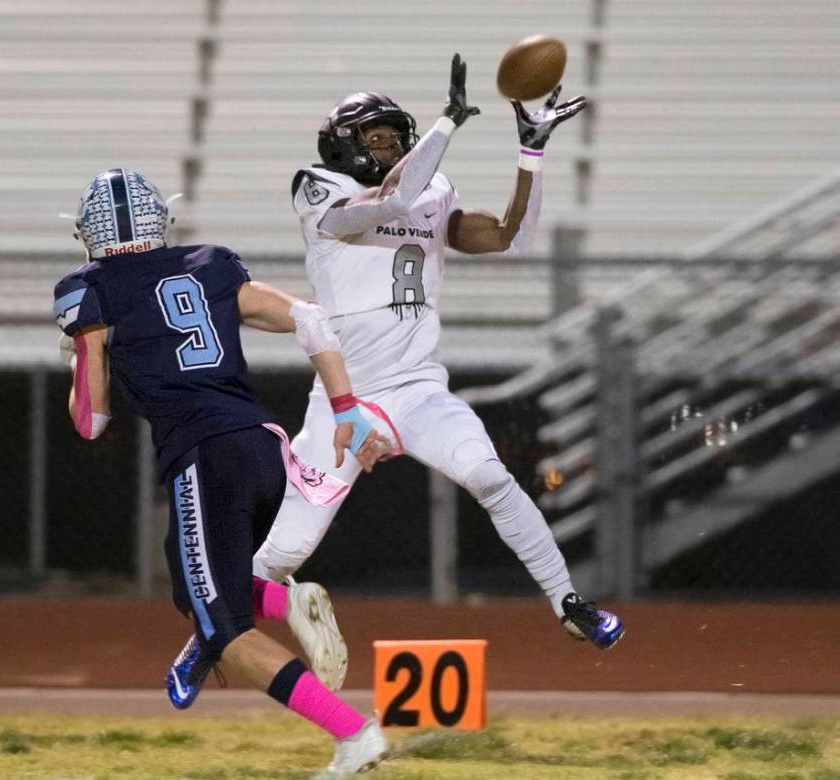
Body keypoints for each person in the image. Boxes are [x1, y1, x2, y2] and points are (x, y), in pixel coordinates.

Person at [245, 53, 625, 671]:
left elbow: (510, 237)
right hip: (347, 399)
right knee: (282, 555)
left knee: (490, 476)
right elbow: (388, 205)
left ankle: (570, 603)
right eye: (377, 137)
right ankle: (207, 637)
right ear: (342, 146)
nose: (392, 146)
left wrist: (531, 154)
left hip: (419, 387)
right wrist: (448, 122)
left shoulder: (432, 188)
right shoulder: (318, 187)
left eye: (399, 136)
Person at [52, 168, 390, 773]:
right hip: (262, 445)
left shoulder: (89, 290)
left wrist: (82, 353)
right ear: (161, 222)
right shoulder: (209, 262)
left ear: (87, 235)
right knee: (192, 587)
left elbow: (90, 422)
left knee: (227, 632)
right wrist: (346, 408)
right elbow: (311, 317)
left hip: (203, 457)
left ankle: (354, 731)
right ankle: (287, 605)